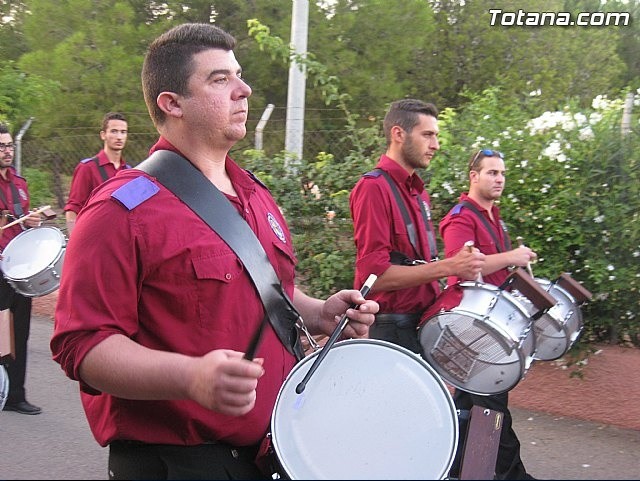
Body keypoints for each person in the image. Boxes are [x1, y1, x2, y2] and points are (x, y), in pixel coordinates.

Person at [50, 23, 378, 480]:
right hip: (176, 462)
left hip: (269, 451)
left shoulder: (255, 196)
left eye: (239, 75)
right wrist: (190, 377)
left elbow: (268, 292)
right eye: (220, 79)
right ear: (173, 103)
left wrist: (321, 312)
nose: (243, 89)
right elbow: (81, 347)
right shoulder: (120, 211)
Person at [349, 99, 485, 354]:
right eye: (427, 135)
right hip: (391, 330)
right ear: (398, 134)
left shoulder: (418, 194)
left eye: (436, 136)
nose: (436, 145)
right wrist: (449, 266)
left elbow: (416, 265)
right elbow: (373, 277)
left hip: (419, 324)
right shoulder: (373, 188)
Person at [439, 148, 538, 480]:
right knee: (489, 408)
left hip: (492, 328)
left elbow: (497, 274)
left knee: (475, 409)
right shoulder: (460, 218)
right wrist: (512, 255)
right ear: (474, 176)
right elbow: (465, 267)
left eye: (502, 173)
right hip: (472, 328)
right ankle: (512, 475)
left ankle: (451, 469)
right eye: (492, 172)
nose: (499, 179)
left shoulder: (493, 217)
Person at [0, 123, 44, 415]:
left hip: (19, 268)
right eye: (2, 147)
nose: (7, 151)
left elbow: (22, 219)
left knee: (20, 331)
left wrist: (32, 221)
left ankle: (16, 394)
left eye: (9, 146)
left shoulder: (19, 182)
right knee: (1, 333)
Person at [64, 112, 130, 236]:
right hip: (93, 238)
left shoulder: (128, 172)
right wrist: (75, 241)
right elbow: (72, 209)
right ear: (103, 135)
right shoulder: (87, 168)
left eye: (123, 132)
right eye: (114, 131)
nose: (119, 137)